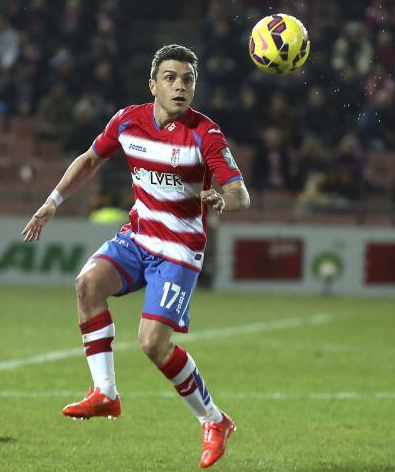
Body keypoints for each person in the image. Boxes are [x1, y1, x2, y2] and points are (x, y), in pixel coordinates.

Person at [22, 44, 249, 468]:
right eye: (171, 78)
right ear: (153, 84)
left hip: (180, 251)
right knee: (87, 284)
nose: (180, 86)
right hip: (139, 237)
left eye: (187, 80)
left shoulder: (206, 134)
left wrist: (221, 198)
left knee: (152, 343)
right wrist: (53, 200)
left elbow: (241, 194)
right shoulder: (129, 121)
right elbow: (90, 160)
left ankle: (214, 421)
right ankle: (105, 393)